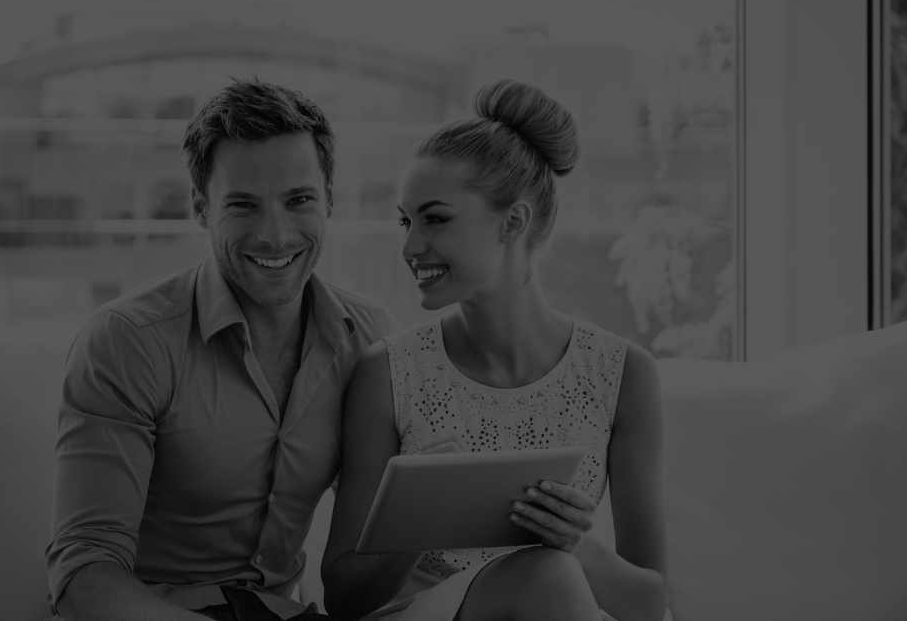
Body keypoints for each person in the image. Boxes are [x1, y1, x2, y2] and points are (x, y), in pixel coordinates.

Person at [45, 78, 397, 621]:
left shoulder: (370, 338)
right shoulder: (129, 340)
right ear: (201, 208)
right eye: (243, 205)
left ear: (330, 200)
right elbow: (83, 574)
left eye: (299, 200)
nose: (275, 236)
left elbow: (364, 565)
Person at [320, 79, 667, 621]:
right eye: (405, 221)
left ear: (513, 222)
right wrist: (417, 520)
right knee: (547, 576)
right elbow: (341, 598)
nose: (411, 245)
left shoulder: (622, 374)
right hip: (427, 615)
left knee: (552, 574)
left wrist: (578, 544)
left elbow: (648, 605)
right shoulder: (388, 373)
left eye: (435, 218)